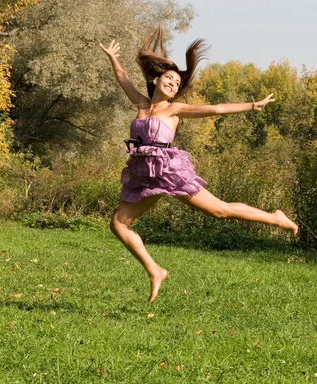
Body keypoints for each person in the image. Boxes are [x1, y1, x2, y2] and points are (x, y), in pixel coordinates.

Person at [100, 28, 298, 302]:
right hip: (143, 175)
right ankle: (155, 270)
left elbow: (216, 109)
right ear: (157, 79)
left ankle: (275, 217)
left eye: (177, 83)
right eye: (169, 78)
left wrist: (252, 105)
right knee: (118, 224)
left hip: (168, 172)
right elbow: (123, 80)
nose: (173, 84)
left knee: (220, 211)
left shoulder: (175, 109)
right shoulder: (142, 104)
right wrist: (113, 58)